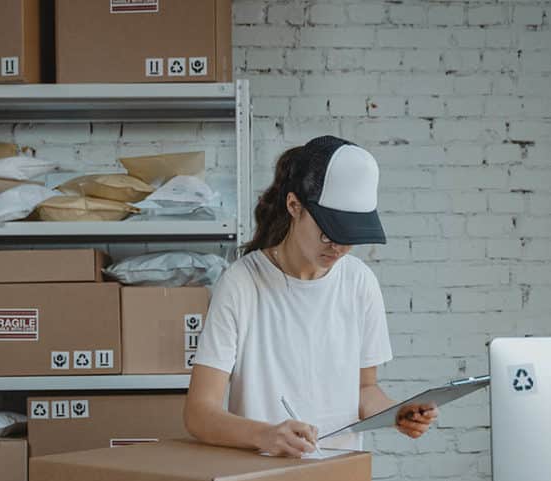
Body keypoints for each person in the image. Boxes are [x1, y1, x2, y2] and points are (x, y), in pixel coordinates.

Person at [184, 135, 438, 457]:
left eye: (350, 236)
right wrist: (266, 435)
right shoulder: (241, 284)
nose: (339, 247)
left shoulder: (359, 282)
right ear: (294, 206)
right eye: (329, 232)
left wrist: (396, 413)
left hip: (337, 472)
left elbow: (364, 389)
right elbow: (199, 414)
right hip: (261, 474)